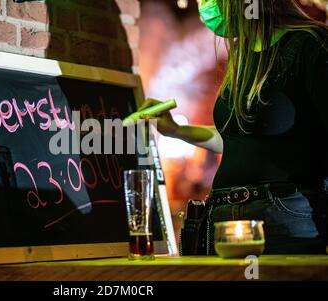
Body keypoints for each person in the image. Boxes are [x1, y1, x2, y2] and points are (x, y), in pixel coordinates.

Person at [139, 0, 328, 254]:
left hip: (284, 217)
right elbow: (237, 139)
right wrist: (177, 131)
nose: (205, 5)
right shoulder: (244, 53)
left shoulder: (311, 44)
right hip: (222, 217)